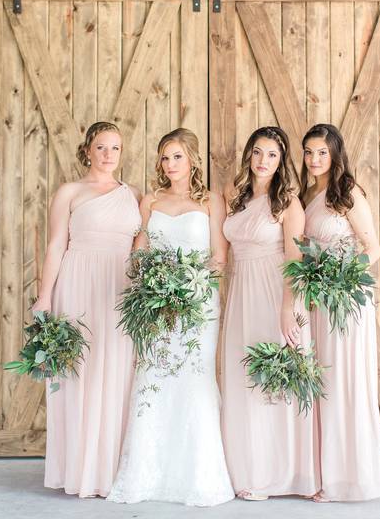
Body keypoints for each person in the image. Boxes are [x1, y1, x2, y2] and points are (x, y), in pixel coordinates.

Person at [108, 128, 235, 507]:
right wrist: (157, 287)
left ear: (192, 159)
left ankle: (199, 475)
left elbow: (219, 258)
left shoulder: (211, 201)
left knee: (195, 379)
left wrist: (188, 286)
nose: (170, 164)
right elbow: (139, 254)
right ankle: (148, 473)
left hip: (198, 305)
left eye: (177, 156)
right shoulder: (150, 201)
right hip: (157, 303)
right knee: (156, 377)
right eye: (165, 157)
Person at [31, 121, 141, 498]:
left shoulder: (135, 195)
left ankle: (109, 471)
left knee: (115, 373)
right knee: (79, 375)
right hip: (78, 284)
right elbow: (55, 246)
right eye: (101, 147)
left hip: (119, 288)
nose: (108, 155)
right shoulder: (70, 192)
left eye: (115, 148)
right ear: (88, 150)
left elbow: (142, 249)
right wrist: (45, 297)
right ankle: (78, 470)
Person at [219, 126, 318, 500]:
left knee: (274, 384)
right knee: (244, 379)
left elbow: (295, 262)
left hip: (274, 293)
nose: (263, 161)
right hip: (241, 292)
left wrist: (288, 310)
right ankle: (248, 471)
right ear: (249, 155)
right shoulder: (235, 196)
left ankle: (281, 475)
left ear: (281, 161)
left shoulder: (288, 203)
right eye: (258, 153)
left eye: (272, 155)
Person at [300, 123, 380, 502]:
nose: (314, 159)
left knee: (345, 383)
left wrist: (340, 279)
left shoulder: (348, 192)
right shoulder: (307, 195)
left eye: (322, 152)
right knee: (324, 383)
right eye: (308, 152)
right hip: (318, 301)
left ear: (335, 154)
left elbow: (373, 249)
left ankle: (348, 480)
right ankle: (324, 473)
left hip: (346, 301)